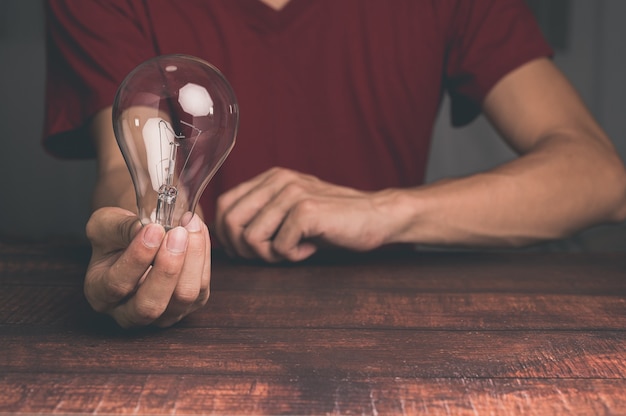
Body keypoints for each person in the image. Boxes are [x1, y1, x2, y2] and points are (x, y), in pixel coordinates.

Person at [44, 0, 626, 328]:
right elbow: (133, 163)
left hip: (391, 330)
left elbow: (600, 178)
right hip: (198, 329)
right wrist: (141, 240)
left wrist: (383, 212)